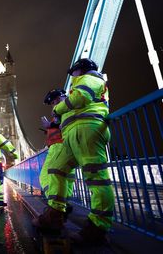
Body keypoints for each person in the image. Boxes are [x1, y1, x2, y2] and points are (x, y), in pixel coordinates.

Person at [32, 58, 114, 245]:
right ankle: (55, 215)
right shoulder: (80, 83)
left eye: (73, 72)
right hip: (73, 135)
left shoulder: (91, 79)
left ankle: (98, 228)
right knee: (55, 170)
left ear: (81, 70)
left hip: (87, 130)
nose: (72, 76)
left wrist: (58, 110)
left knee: (97, 179)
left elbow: (79, 99)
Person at [39, 89, 75, 218]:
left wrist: (49, 125)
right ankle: (64, 202)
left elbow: (60, 123)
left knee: (45, 176)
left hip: (58, 146)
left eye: (53, 102)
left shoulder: (63, 106)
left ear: (58, 98)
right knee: (66, 176)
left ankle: (55, 204)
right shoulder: (71, 103)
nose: (53, 106)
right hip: (69, 143)